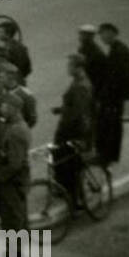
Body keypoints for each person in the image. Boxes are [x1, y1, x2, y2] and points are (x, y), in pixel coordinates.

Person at [0, 95, 31, 257]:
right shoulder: (16, 126)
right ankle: (17, 253)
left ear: (14, 108)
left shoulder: (15, 131)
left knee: (11, 219)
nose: (2, 108)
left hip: (12, 181)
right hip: (16, 180)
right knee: (16, 217)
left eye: (5, 105)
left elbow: (14, 164)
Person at [52, 54, 93, 208]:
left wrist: (66, 126)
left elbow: (78, 112)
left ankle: (75, 201)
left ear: (79, 68)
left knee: (70, 166)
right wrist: (60, 109)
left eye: (71, 65)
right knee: (65, 163)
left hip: (72, 132)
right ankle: (70, 195)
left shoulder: (81, 86)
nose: (68, 68)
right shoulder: (78, 82)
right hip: (70, 129)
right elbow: (73, 107)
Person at [94, 22, 129, 166]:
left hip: (114, 97)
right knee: (111, 125)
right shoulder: (116, 48)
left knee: (112, 126)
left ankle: (108, 156)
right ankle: (108, 155)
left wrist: (107, 95)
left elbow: (119, 77)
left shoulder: (120, 51)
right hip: (114, 96)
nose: (102, 37)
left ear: (111, 32)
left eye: (103, 34)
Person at [77, 23, 105, 92]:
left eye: (82, 34)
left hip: (96, 84)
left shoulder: (95, 51)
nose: (79, 37)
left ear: (89, 36)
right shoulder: (83, 48)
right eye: (80, 34)